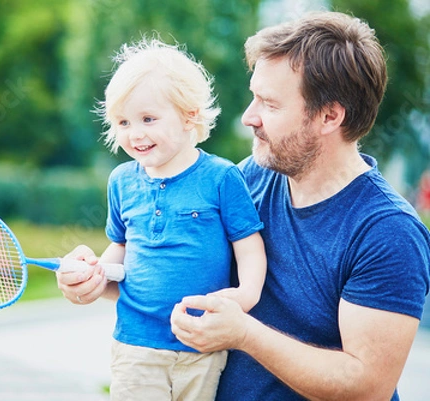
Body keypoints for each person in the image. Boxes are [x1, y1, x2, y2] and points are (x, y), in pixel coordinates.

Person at [167, 11, 430, 400]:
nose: (248, 118)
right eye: (254, 96)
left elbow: (366, 385)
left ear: (329, 116)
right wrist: (103, 275)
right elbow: (177, 261)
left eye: (270, 105)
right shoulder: (247, 180)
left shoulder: (387, 232)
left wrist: (244, 333)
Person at [57, 38, 267, 401]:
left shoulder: (221, 178)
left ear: (190, 116)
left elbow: (249, 248)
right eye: (123, 122)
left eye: (148, 119)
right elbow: (121, 246)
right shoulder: (121, 181)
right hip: (135, 344)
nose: (134, 133)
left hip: (200, 342)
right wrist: (94, 273)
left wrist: (245, 296)